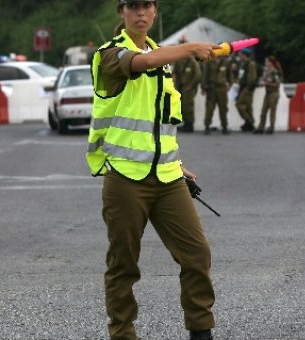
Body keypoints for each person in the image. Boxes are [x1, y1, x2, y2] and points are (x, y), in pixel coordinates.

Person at [87, 1, 218, 339]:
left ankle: (201, 331)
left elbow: (156, 123)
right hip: (126, 178)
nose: (140, 13)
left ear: (155, 11)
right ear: (121, 12)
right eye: (133, 6)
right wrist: (189, 47)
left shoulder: (162, 56)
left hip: (166, 176)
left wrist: (177, 166)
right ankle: (123, 332)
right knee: (123, 264)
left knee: (196, 254)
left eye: (147, 6)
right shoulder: (110, 53)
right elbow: (140, 63)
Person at [173, 37, 202, 133]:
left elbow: (198, 75)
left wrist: (191, 85)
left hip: (188, 88)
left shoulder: (191, 60)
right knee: (182, 106)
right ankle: (186, 123)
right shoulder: (178, 59)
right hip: (181, 87)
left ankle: (190, 124)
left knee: (188, 106)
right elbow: (175, 73)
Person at [201, 53, 232, 135]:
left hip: (222, 88)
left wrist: (230, 84)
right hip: (212, 88)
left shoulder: (226, 62)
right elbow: (205, 75)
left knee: (223, 108)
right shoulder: (209, 61)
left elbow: (229, 74)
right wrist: (203, 87)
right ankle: (207, 126)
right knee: (209, 108)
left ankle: (224, 126)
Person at [255, 56, 283, 134]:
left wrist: (267, 83)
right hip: (267, 93)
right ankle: (261, 127)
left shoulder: (275, 72)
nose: (265, 63)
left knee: (272, 111)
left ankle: (271, 127)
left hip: (274, 93)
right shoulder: (266, 71)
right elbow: (263, 79)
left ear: (270, 62)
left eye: (267, 61)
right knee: (263, 111)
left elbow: (277, 84)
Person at [234, 48, 257, 132]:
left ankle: (249, 121)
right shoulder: (244, 64)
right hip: (243, 88)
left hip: (247, 89)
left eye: (240, 54)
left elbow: (252, 77)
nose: (239, 56)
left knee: (239, 104)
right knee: (248, 107)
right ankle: (249, 124)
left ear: (244, 55)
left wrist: (248, 87)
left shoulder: (251, 64)